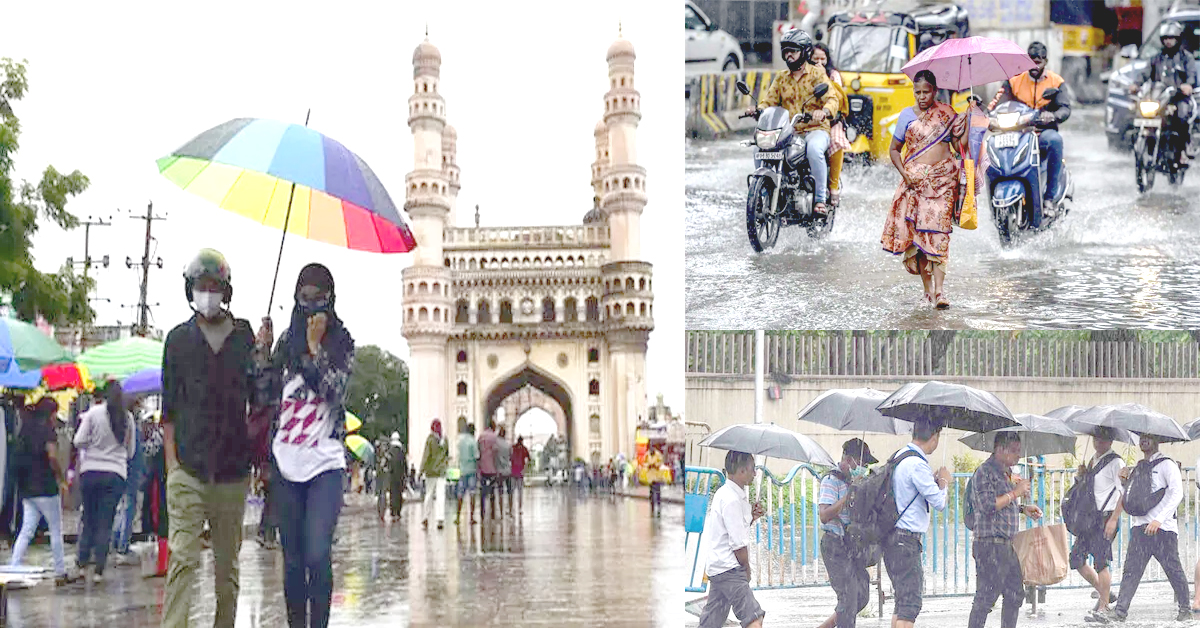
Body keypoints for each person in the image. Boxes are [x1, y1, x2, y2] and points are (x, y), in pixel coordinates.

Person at [161, 248, 273, 628]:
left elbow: (261, 398)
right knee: (183, 561)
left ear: (225, 291)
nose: (206, 293)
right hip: (188, 471)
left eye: (213, 286)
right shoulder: (177, 341)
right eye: (200, 286)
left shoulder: (243, 337)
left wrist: (264, 352)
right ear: (190, 289)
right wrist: (172, 468)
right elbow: (169, 412)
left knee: (227, 570)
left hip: (231, 473)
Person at [265, 263, 354, 628]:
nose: (313, 305)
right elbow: (262, 395)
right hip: (286, 461)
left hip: (325, 463)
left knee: (318, 554)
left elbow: (334, 391)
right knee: (293, 559)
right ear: (297, 298)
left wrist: (316, 348)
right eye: (306, 297)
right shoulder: (285, 342)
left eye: (321, 298)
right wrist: (261, 352)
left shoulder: (342, 342)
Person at [882, 70, 968, 310]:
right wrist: (906, 175)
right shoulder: (906, 116)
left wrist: (969, 120)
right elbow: (894, 150)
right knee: (919, 238)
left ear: (935, 91)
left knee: (940, 235)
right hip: (916, 185)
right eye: (917, 92)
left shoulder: (947, 114)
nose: (921, 97)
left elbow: (959, 146)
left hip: (943, 183)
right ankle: (928, 291)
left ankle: (940, 292)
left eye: (926, 92)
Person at [1090, 433, 1189, 624]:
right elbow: (1133, 497)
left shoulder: (1167, 465)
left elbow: (1177, 493)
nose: (1144, 441)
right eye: (1142, 437)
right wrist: (1126, 481)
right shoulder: (1138, 467)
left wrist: (1159, 520)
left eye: (1149, 437)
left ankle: (1185, 608)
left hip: (1163, 530)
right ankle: (1120, 612)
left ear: (1157, 441)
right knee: (1131, 571)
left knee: (1173, 569)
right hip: (1140, 528)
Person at [748, 28, 840, 214]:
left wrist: (823, 111)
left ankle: (820, 200)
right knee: (760, 148)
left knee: (814, 150)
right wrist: (758, 110)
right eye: (786, 51)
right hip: (788, 131)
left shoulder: (817, 74)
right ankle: (765, 192)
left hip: (815, 129)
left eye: (793, 51)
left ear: (804, 52)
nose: (789, 55)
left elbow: (832, 99)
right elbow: (769, 101)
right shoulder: (781, 77)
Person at [967, 432, 1044, 628]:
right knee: (986, 597)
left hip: (1006, 544)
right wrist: (1015, 493)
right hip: (989, 543)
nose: (1018, 456)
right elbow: (987, 506)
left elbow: (1004, 503)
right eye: (1014, 451)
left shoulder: (1005, 473)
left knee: (1014, 593)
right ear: (1000, 449)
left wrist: (1022, 508)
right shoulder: (985, 472)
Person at [988, 41, 1071, 217]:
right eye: (1031, 62)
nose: (1034, 66)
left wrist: (1053, 116)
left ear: (1045, 61)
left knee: (1055, 140)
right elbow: (997, 102)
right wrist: (985, 113)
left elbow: (1065, 108)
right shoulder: (1013, 80)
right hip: (1017, 132)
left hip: (1041, 132)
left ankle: (1049, 198)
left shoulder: (1056, 82)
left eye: (1038, 62)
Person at [885, 419, 951, 628]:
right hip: (906, 542)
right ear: (934, 438)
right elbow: (939, 502)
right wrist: (945, 481)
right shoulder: (917, 464)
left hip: (892, 539)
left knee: (902, 603)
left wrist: (932, 480)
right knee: (910, 605)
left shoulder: (899, 456)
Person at [73, 380, 135, 584]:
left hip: (91, 472)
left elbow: (78, 441)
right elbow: (131, 451)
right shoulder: (128, 418)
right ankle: (99, 570)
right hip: (115, 474)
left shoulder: (93, 413)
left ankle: (82, 566)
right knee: (105, 522)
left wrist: (94, 444)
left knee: (88, 518)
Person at [9, 398, 74, 586]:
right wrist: (61, 480)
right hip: (46, 488)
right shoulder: (47, 431)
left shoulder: (26, 429)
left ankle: (14, 567)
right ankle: (60, 572)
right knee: (56, 530)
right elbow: (52, 457)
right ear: (50, 413)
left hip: (27, 489)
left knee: (26, 531)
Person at [698, 450, 766, 628]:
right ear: (742, 471)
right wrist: (746, 568)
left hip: (718, 568)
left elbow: (734, 530)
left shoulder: (726, 493)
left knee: (711, 623)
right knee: (754, 617)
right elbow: (738, 544)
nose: (754, 473)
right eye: (752, 469)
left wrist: (752, 516)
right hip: (730, 569)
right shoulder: (732, 500)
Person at [817, 439, 875, 628]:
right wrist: (849, 493)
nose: (864, 468)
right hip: (834, 545)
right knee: (848, 598)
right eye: (862, 464)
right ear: (850, 461)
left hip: (851, 545)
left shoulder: (855, 481)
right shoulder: (831, 480)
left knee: (861, 595)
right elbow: (824, 515)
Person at [1071, 427, 1125, 614]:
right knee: (1076, 559)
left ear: (1110, 441)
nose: (1098, 443)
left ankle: (1103, 605)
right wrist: (1082, 475)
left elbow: (1123, 493)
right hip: (1089, 518)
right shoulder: (1093, 460)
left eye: (1102, 439)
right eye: (1096, 439)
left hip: (1105, 517)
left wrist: (1114, 519)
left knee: (1101, 562)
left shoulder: (1116, 462)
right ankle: (1105, 593)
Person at [1129, 21, 1198, 161]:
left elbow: (1191, 76)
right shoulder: (1156, 58)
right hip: (1158, 98)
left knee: (1182, 115)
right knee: (1138, 113)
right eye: (1165, 38)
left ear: (1178, 39)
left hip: (1178, 98)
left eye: (1171, 38)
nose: (1168, 41)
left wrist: (1187, 85)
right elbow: (1145, 73)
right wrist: (1136, 84)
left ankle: (1183, 149)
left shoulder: (1186, 58)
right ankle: (1143, 146)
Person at [811, 42, 851, 208]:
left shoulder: (833, 75)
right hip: (807, 120)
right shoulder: (803, 74)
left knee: (836, 140)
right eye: (816, 59)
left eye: (823, 58)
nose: (819, 62)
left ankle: (833, 187)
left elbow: (836, 99)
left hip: (830, 119)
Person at [420, 419, 449, 530]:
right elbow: (447, 454)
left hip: (431, 472)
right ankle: (440, 519)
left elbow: (426, 455)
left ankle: (425, 518)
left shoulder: (430, 439)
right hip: (441, 471)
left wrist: (421, 470)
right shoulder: (444, 439)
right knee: (441, 496)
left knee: (429, 495)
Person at [455, 417, 478, 526]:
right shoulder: (473, 442)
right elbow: (477, 456)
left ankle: (457, 517)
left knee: (460, 494)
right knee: (472, 493)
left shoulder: (461, 441)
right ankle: (471, 517)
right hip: (471, 470)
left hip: (462, 470)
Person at [477, 419, 500, 520]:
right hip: (492, 469)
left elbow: (478, 452)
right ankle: (492, 512)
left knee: (482, 490)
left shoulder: (481, 437)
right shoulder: (494, 437)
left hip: (483, 468)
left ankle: (482, 511)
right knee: (492, 490)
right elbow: (496, 452)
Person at [388, 432, 407, 519]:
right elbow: (405, 464)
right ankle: (398, 512)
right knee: (399, 493)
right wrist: (406, 474)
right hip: (400, 475)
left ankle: (393, 511)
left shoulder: (390, 451)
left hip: (392, 475)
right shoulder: (402, 451)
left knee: (393, 492)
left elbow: (388, 463)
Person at [512, 435, 531, 515]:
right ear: (522, 441)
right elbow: (529, 458)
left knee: (512, 491)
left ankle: (511, 508)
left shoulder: (513, 448)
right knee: (520, 491)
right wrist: (525, 467)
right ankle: (519, 509)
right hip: (520, 471)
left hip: (512, 471)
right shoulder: (524, 449)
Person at [496, 427, 512, 518]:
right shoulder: (507, 445)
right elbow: (511, 456)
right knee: (509, 491)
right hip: (508, 470)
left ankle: (501, 512)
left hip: (499, 470)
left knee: (500, 491)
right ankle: (509, 511)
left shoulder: (496, 444)